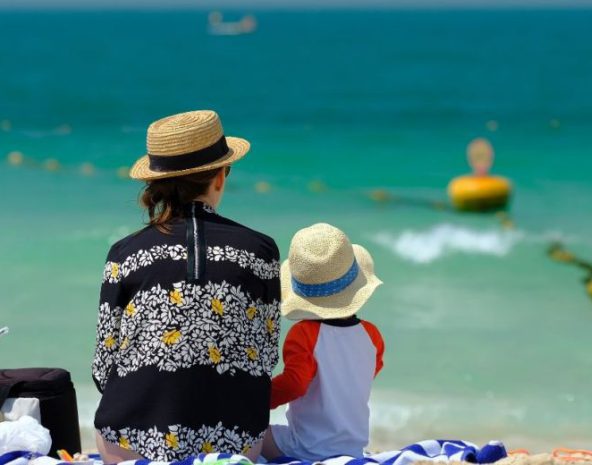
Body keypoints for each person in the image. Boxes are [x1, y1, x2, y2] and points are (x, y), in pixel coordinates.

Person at [92, 110, 280, 462]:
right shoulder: (261, 249)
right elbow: (267, 357)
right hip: (235, 443)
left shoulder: (123, 253)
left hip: (131, 444)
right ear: (221, 177)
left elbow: (103, 368)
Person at [262, 223, 384, 462]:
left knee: (250, 430)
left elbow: (294, 384)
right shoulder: (371, 334)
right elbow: (371, 370)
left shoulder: (304, 333)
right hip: (353, 447)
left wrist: (256, 398)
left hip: (305, 447)